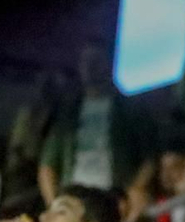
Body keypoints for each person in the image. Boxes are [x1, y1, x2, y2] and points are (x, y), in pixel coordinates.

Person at [41, 42, 153, 202]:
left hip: (114, 195)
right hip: (73, 194)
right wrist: (54, 205)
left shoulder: (129, 110)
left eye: (97, 61)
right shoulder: (68, 114)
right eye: (85, 61)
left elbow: (149, 158)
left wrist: (135, 189)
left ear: (108, 64)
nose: (90, 67)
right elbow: (47, 165)